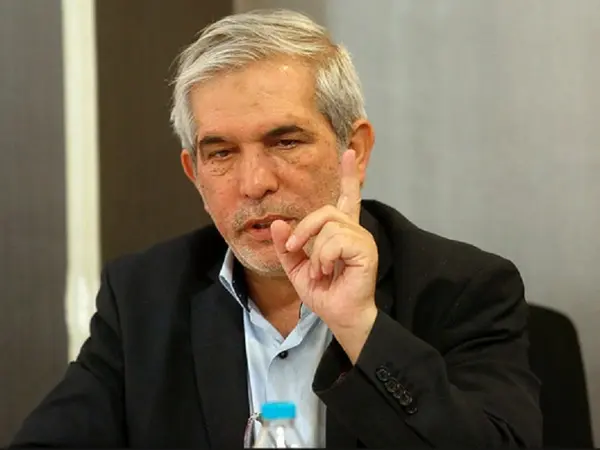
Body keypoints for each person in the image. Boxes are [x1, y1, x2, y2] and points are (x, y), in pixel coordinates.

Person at [11, 9, 541, 449]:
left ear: (354, 150)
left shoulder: (463, 288)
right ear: (195, 174)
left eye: (285, 142)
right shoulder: (143, 295)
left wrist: (360, 326)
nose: (255, 183)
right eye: (221, 153)